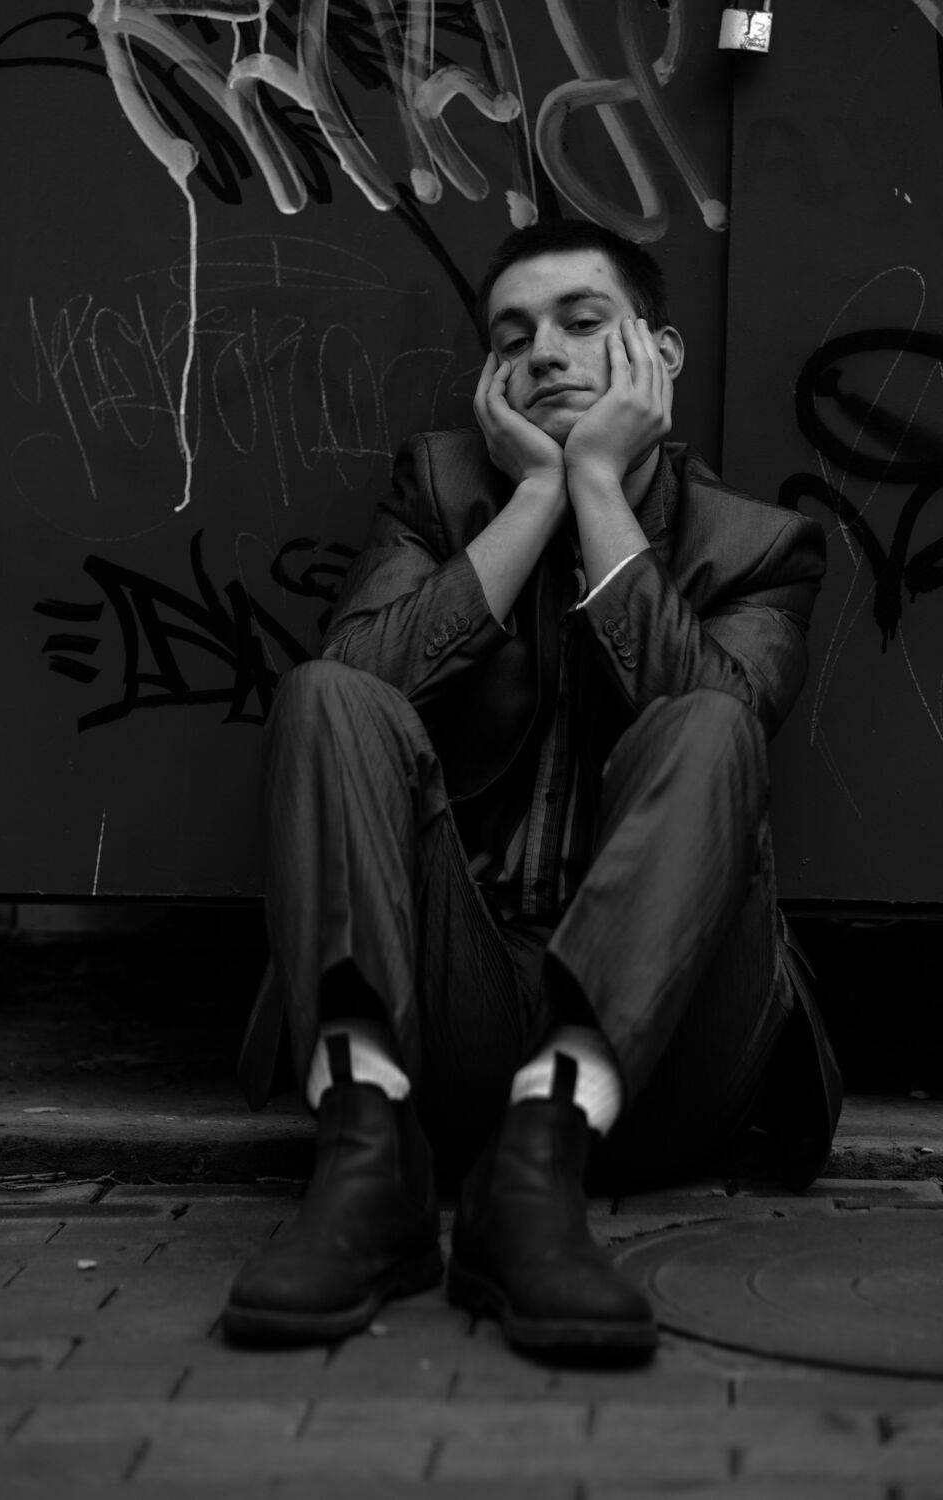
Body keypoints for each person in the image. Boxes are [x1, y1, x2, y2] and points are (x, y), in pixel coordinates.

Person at [223, 218, 842, 1359]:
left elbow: (712, 729)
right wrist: (531, 504)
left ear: (658, 354)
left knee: (708, 720)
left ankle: (537, 1171)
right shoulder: (438, 489)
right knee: (325, 693)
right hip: (441, 1023)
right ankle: (366, 1165)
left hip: (656, 1060)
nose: (544, 352)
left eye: (581, 322)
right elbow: (352, 697)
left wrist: (598, 485)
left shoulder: (762, 548)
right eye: (513, 338)